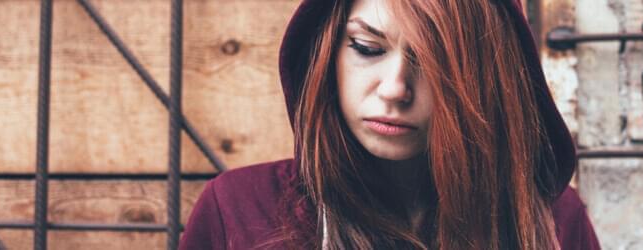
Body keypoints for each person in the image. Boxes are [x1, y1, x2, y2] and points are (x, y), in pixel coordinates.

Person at [179, 0, 600, 248]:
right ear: (326, 53)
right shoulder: (238, 211)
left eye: (435, 63)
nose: (395, 88)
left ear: (485, 79)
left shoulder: (554, 222)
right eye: (367, 48)